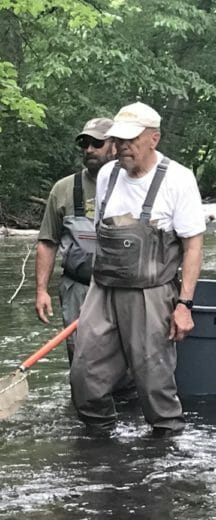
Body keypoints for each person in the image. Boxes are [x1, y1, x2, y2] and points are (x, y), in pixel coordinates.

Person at [69, 102, 206, 436]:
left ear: (154, 138)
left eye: (131, 139)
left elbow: (193, 247)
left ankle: (166, 443)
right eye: (118, 139)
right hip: (103, 289)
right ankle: (100, 442)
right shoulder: (107, 175)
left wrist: (184, 305)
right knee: (84, 374)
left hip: (152, 293)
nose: (122, 146)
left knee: (154, 383)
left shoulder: (178, 179)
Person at [34, 117, 116, 363]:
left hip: (122, 291)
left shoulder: (132, 185)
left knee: (125, 360)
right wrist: (41, 291)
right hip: (77, 288)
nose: (89, 149)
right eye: (84, 143)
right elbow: (47, 242)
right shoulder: (63, 189)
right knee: (81, 360)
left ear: (115, 145)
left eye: (97, 143)